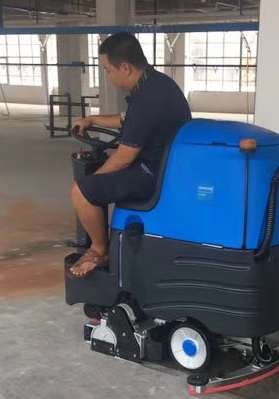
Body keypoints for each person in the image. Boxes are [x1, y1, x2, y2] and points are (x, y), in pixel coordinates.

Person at [69, 32, 191, 278]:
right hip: (166, 164)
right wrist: (92, 119)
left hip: (153, 173)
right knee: (96, 182)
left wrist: (94, 181)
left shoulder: (148, 97)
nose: (108, 77)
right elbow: (128, 120)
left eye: (108, 70)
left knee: (81, 192)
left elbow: (125, 156)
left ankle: (99, 250)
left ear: (125, 68)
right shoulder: (155, 84)